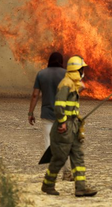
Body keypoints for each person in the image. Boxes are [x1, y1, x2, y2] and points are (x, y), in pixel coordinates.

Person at [41, 55, 97, 197]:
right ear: (76, 70)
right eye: (82, 69)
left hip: (74, 126)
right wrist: (62, 122)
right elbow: (59, 106)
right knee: (59, 158)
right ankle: (48, 185)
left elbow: (82, 87)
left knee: (78, 156)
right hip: (64, 128)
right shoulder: (66, 84)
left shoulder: (73, 83)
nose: (83, 72)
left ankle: (81, 188)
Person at [28, 52, 73, 180]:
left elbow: (35, 95)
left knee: (49, 145)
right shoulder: (67, 74)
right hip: (63, 115)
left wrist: (30, 113)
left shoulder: (41, 74)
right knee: (64, 143)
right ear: (61, 61)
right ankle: (67, 173)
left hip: (47, 114)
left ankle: (52, 174)